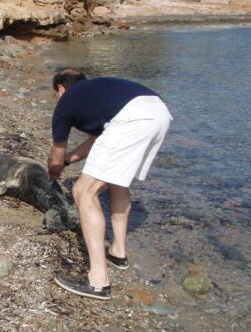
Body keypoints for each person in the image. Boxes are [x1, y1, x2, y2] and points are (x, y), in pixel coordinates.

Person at [48, 68, 172, 300]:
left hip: (134, 119)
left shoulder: (66, 103)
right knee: (117, 181)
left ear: (61, 89)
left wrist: (54, 170)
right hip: (159, 111)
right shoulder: (97, 94)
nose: (57, 99)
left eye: (55, 94)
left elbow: (55, 156)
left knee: (83, 191)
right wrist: (67, 161)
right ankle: (117, 252)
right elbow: (96, 142)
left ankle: (98, 281)